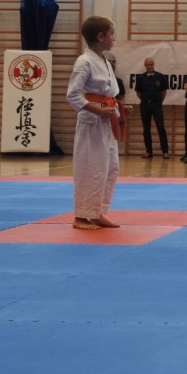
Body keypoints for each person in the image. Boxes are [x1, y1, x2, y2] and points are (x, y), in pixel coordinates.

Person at [66, 15, 131, 230]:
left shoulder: (103, 60)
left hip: (107, 120)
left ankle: (97, 212)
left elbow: (106, 95)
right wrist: (99, 110)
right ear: (101, 36)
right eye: (112, 34)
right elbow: (73, 95)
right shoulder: (84, 62)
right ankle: (80, 216)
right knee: (90, 168)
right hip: (92, 123)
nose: (114, 38)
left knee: (110, 168)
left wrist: (119, 109)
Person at [134, 57, 170, 159]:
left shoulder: (160, 76)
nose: (149, 66)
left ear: (153, 64)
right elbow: (138, 92)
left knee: (161, 127)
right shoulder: (141, 77)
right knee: (146, 128)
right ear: (145, 65)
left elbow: (163, 91)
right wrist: (145, 100)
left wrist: (158, 102)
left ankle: (165, 151)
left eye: (151, 64)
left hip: (156, 105)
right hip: (145, 105)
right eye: (147, 65)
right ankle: (148, 151)